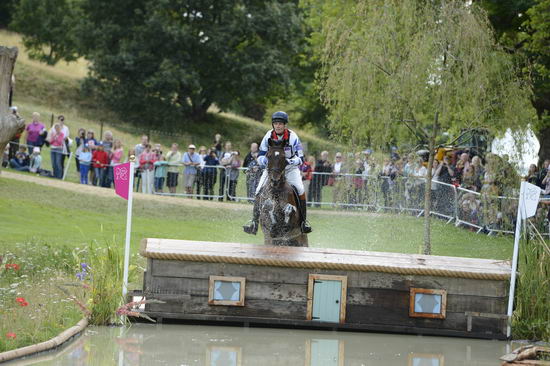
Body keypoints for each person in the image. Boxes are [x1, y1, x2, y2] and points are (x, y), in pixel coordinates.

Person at [243, 111, 312, 234]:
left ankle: (303, 223)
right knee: (258, 190)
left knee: (301, 190)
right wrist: (267, 162)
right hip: (272, 169)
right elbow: (260, 156)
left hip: (290, 168)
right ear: (273, 125)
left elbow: (301, 158)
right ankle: (254, 223)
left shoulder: (293, 137)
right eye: (275, 123)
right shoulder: (268, 136)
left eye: (280, 123)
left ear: (285, 125)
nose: (278, 126)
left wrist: (289, 161)